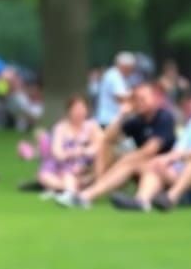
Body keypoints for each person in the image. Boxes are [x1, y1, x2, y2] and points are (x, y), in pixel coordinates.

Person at [112, 80, 191, 212]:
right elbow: (178, 148)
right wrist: (164, 160)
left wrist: (171, 158)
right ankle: (141, 201)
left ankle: (171, 197)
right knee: (156, 164)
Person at [55, 81, 176, 209]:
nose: (139, 102)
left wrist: (126, 160)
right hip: (146, 168)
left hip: (167, 169)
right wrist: (122, 114)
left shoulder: (164, 117)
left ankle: (87, 195)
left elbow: (150, 151)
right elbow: (107, 138)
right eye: (136, 99)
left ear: (155, 99)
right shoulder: (137, 120)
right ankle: (99, 187)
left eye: (143, 98)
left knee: (131, 160)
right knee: (108, 148)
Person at [38, 94, 102, 197]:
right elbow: (57, 152)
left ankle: (69, 190)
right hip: (61, 166)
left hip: (84, 167)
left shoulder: (92, 126)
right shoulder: (61, 127)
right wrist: (71, 153)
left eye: (82, 108)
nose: (79, 112)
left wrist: (82, 151)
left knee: (75, 175)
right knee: (46, 176)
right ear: (69, 111)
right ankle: (70, 189)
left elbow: (100, 145)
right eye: (75, 109)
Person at [95, 52, 135, 128]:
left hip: (111, 119)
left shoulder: (119, 76)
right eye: (130, 68)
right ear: (124, 66)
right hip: (109, 119)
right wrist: (135, 95)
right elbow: (121, 97)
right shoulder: (114, 75)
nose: (131, 71)